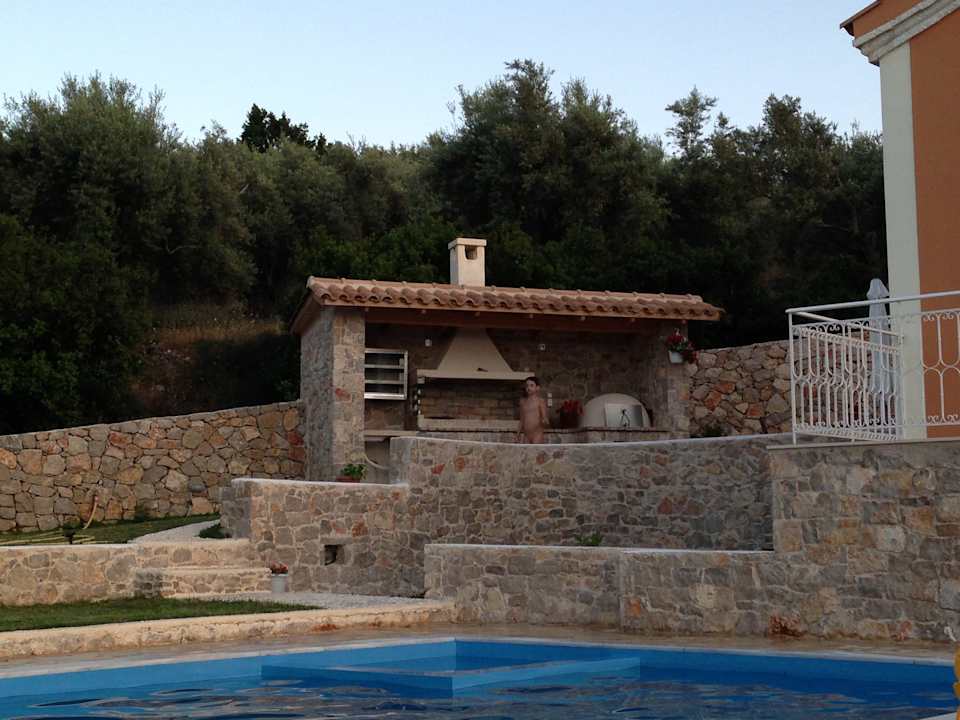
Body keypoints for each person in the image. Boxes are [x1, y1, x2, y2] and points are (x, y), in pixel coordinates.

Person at [517, 376, 549, 444]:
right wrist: (518, 434)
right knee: (526, 450)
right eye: (527, 386)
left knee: (536, 450)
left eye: (531, 385)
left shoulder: (540, 401)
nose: (528, 388)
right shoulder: (523, 402)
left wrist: (544, 420)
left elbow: (544, 417)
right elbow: (522, 420)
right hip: (526, 435)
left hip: (537, 434)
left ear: (537, 388)